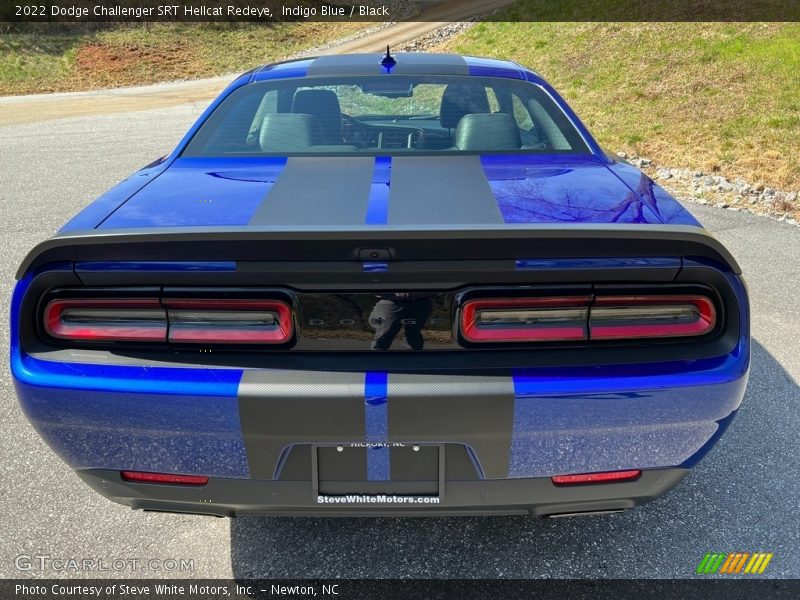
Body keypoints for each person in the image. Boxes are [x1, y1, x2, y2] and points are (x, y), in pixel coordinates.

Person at [368, 292, 434, 350]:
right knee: (384, 335)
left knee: (414, 335)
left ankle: (412, 362)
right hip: (391, 300)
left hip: (421, 301)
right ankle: (376, 361)